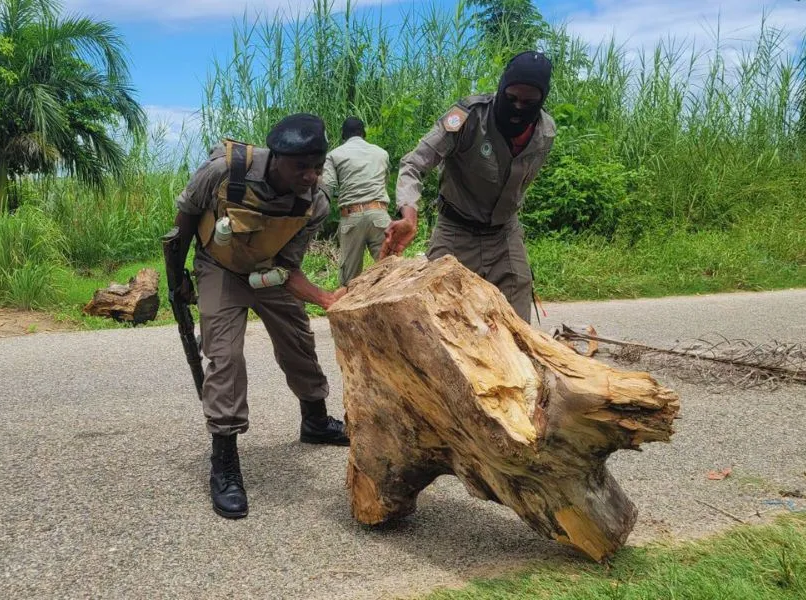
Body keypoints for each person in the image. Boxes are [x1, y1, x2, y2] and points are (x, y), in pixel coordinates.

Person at [164, 114, 349, 520]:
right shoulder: (224, 171)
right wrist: (177, 279)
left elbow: (290, 265)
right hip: (220, 267)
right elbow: (185, 218)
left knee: (298, 339)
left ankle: (315, 421)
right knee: (226, 356)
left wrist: (322, 298)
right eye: (301, 167)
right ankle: (225, 461)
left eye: (317, 166)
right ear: (276, 159)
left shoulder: (314, 202)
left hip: (270, 270)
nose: (311, 176)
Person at [381, 51, 556, 322]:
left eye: (529, 102)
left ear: (542, 100)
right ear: (501, 88)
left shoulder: (545, 133)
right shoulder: (465, 117)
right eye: (511, 99)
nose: (518, 107)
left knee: (518, 327)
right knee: (439, 322)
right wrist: (408, 213)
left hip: (504, 235)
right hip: (455, 232)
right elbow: (414, 164)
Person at [320, 117, 393, 284]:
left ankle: (347, 303)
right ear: (363, 133)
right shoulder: (382, 153)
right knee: (390, 272)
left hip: (351, 217)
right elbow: (384, 181)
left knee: (349, 278)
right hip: (380, 215)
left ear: (343, 135)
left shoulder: (334, 155)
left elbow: (327, 187)